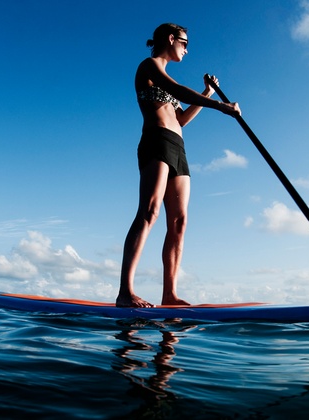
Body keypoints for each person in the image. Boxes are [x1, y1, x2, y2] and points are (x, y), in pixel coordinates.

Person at [116, 23, 241, 308]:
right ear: (171, 39)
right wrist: (222, 107)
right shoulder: (148, 67)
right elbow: (177, 89)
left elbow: (182, 119)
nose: (187, 49)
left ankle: (169, 295)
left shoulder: (165, 79)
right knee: (150, 212)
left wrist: (208, 94)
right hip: (156, 141)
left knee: (180, 221)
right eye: (185, 43)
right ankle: (125, 292)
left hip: (178, 147)